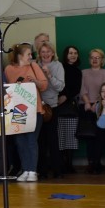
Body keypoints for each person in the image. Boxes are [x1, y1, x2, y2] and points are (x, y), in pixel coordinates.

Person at [4, 43, 48, 182]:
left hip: (34, 109)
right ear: (20, 55)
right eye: (28, 54)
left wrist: (35, 81)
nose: (31, 56)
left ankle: (32, 170)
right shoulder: (9, 69)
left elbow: (44, 85)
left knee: (31, 140)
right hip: (18, 110)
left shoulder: (34, 66)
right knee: (20, 141)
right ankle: (26, 169)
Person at [37, 42, 65, 178]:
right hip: (37, 107)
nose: (46, 54)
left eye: (48, 51)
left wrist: (49, 75)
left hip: (52, 107)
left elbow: (60, 87)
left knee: (53, 140)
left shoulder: (58, 66)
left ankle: (57, 170)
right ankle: (41, 171)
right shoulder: (34, 65)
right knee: (40, 141)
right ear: (39, 53)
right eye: (43, 52)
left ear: (53, 53)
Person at [58, 46, 83, 173]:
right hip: (57, 104)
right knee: (60, 136)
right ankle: (60, 163)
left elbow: (76, 89)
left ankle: (69, 164)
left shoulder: (78, 71)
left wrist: (66, 96)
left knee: (71, 136)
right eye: (70, 53)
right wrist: (60, 97)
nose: (73, 55)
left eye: (75, 53)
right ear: (66, 55)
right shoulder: (60, 67)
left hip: (70, 105)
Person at [79, 48, 105, 114]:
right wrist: (87, 103)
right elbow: (82, 89)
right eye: (92, 57)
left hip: (101, 103)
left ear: (102, 60)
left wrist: (96, 103)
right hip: (84, 103)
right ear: (89, 59)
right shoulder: (83, 72)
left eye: (97, 57)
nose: (94, 60)